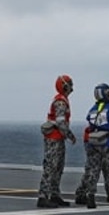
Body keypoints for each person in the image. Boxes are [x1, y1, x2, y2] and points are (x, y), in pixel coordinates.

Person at [77, 83, 109, 209]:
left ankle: (90, 198)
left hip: (93, 143)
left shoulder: (93, 110)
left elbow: (90, 122)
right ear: (106, 93)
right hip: (108, 144)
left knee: (92, 171)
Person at [37, 74, 77, 208]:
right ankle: (43, 196)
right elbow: (60, 121)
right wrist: (70, 135)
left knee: (58, 168)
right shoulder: (61, 102)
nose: (71, 86)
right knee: (51, 168)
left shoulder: (62, 100)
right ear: (64, 85)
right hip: (54, 139)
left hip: (57, 138)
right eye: (70, 84)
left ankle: (54, 194)